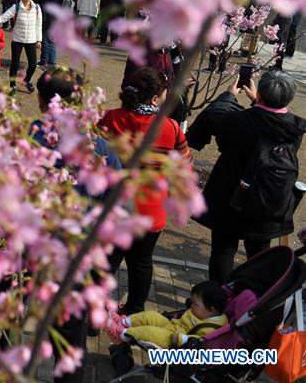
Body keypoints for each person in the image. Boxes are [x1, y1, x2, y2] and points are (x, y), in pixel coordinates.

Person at [30, 67, 122, 383]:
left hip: (35, 247)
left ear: (43, 102)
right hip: (81, 252)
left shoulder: (32, 139)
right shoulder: (102, 147)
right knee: (71, 330)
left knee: (11, 309)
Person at [186, 70, 305, 283]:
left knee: (224, 248)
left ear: (260, 93)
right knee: (259, 252)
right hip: (268, 200)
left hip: (231, 197)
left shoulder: (239, 121)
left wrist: (229, 96)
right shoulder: (294, 128)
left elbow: (216, 120)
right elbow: (268, 125)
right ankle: (253, 299)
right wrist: (258, 103)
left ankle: (219, 302)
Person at [98, 67, 193, 315]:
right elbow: (185, 164)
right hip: (151, 210)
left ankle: (94, 314)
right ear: (154, 99)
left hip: (115, 207)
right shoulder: (170, 127)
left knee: (107, 262)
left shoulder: (110, 118)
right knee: (141, 263)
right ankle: (134, 310)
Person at [105, 281, 228, 348]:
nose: (191, 305)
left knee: (149, 332)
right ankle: (124, 322)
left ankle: (121, 334)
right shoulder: (204, 312)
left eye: (195, 304)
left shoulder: (212, 327)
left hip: (173, 339)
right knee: (151, 315)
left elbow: (203, 342)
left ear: (211, 310)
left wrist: (182, 339)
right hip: (172, 324)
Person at [0, 0, 43, 95]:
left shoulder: (37, 8)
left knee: (32, 64)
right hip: (17, 39)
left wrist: (39, 40)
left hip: (31, 39)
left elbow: (39, 25)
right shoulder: (16, 7)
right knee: (15, 63)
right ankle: (12, 85)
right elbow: (4, 17)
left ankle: (26, 81)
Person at [34, 0, 63, 67]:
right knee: (45, 39)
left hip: (51, 17)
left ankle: (51, 61)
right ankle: (44, 60)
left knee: (49, 39)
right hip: (47, 16)